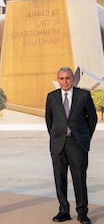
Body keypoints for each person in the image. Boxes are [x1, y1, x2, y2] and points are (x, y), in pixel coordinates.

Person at [45, 67, 97, 224]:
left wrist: (84, 137)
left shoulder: (84, 95)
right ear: (58, 80)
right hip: (58, 145)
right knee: (59, 179)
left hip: (77, 144)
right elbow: (49, 120)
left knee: (79, 179)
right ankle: (63, 211)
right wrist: (56, 137)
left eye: (67, 78)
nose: (65, 81)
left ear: (72, 79)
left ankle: (82, 212)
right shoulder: (52, 97)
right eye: (61, 79)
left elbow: (92, 119)